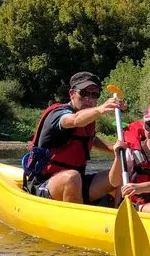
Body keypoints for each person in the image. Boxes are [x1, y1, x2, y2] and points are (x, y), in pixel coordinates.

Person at [22, 71, 122, 204]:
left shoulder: (88, 120)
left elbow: (89, 139)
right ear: (72, 94)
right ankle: (78, 220)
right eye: (84, 93)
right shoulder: (59, 114)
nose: (89, 99)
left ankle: (119, 213)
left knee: (117, 176)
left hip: (78, 183)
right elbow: (74, 120)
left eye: (94, 95)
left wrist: (115, 149)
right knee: (72, 177)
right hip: (44, 184)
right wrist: (101, 109)